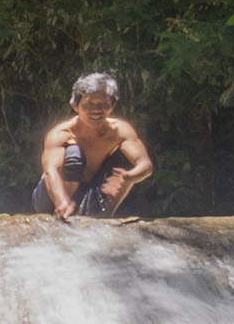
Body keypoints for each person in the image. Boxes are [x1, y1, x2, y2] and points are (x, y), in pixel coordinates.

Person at [37, 73, 155, 221]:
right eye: (89, 104)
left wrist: (130, 177)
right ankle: (63, 210)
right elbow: (50, 171)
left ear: (112, 106)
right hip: (51, 196)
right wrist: (61, 200)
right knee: (74, 153)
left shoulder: (120, 131)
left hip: (90, 192)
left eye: (103, 104)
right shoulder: (61, 133)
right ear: (75, 106)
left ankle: (103, 215)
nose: (96, 110)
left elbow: (145, 165)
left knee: (126, 161)